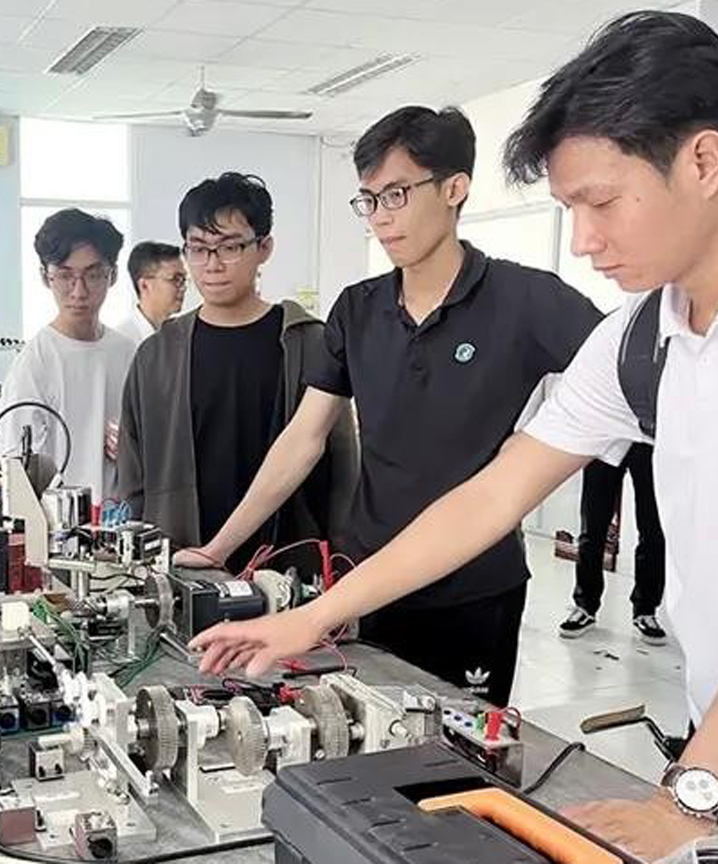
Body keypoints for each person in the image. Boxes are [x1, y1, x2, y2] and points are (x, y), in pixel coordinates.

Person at [189, 12, 718, 859]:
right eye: (569, 207)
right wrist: (311, 617)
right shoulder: (642, 334)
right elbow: (493, 495)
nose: (585, 239)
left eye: (601, 201)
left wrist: (691, 799)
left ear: (704, 160)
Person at [173, 109, 602, 706]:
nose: (380, 218)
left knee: (460, 756)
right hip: (369, 580)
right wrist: (220, 547)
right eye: (368, 200)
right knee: (365, 735)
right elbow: (304, 437)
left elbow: (619, 382)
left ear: (455, 189)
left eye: (396, 194)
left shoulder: (528, 300)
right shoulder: (358, 308)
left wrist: (540, 445)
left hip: (474, 587)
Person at [118, 172, 357, 576]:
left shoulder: (309, 343)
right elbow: (134, 475)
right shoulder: (157, 355)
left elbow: (343, 471)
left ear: (264, 248)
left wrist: (341, 566)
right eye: (198, 248)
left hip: (288, 568)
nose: (212, 264)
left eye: (230, 247)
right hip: (184, 564)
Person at [0, 208, 136, 503]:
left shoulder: (128, 353)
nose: (79, 291)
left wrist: (134, 447)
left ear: (112, 276)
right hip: (59, 529)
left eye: (93, 275)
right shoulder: (35, 363)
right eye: (65, 276)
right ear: (46, 277)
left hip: (122, 522)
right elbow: (17, 469)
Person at [560, 443, 667, 644]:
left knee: (652, 529)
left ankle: (646, 610)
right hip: (608, 433)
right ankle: (585, 606)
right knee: (592, 527)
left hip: (648, 437)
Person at [113, 241, 187, 345]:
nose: (183, 288)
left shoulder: (183, 336)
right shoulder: (121, 342)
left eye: (183, 279)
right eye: (175, 279)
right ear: (144, 286)